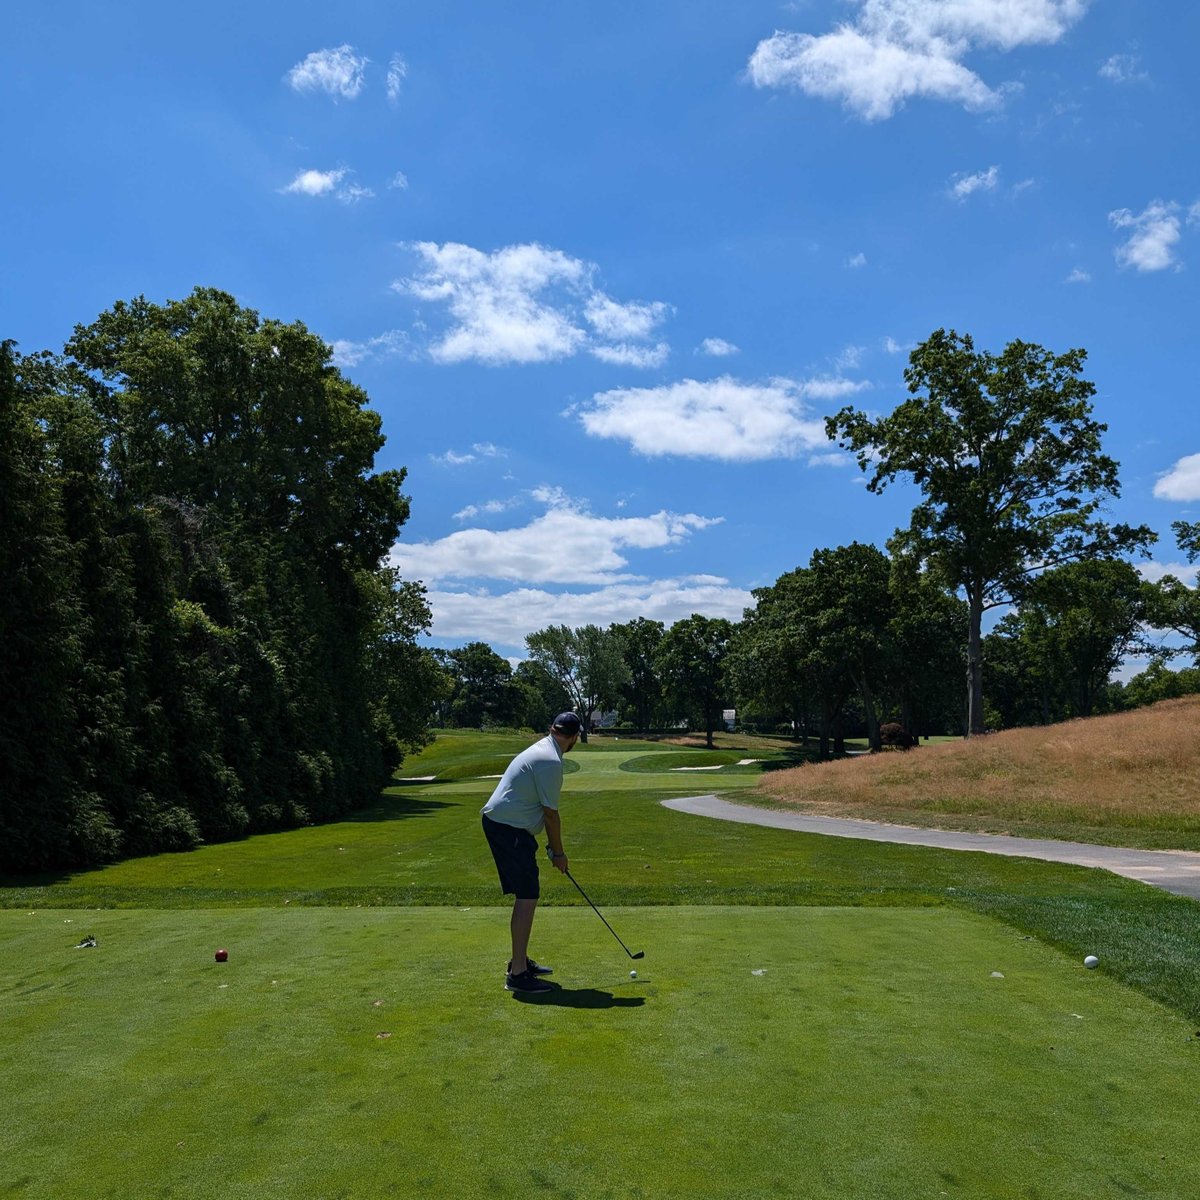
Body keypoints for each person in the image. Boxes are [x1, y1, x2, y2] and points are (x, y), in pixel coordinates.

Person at [481, 712, 581, 994]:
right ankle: (518, 975)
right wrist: (559, 854)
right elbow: (551, 815)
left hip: (507, 826)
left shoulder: (545, 749)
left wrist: (552, 847)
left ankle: (519, 960)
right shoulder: (550, 761)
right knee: (527, 894)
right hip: (506, 827)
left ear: (553, 729)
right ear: (574, 738)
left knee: (527, 891)